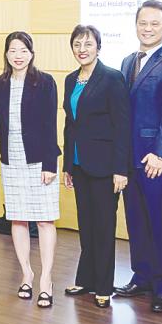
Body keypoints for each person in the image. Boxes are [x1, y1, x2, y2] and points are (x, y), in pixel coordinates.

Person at [114, 0, 162, 313]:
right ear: (136, 25)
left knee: (159, 222)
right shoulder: (128, 61)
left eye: (154, 23)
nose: (147, 28)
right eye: (142, 23)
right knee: (136, 220)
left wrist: (161, 154)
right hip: (130, 160)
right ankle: (141, 275)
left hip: (155, 161)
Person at [61, 25, 131, 309]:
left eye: (88, 44)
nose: (82, 49)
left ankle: (103, 285)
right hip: (79, 165)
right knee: (86, 226)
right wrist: (67, 164)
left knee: (103, 227)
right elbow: (70, 125)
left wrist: (121, 169)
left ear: (98, 47)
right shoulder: (70, 80)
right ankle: (86, 278)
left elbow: (122, 125)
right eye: (77, 44)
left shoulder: (112, 78)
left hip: (105, 167)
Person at [0, 31, 61, 308]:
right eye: (12, 50)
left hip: (39, 159)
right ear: (6, 54)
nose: (18, 56)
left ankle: (46, 279)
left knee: (44, 220)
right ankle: (27, 274)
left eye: (23, 50)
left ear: (31, 53)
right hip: (13, 159)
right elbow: (0, 123)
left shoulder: (44, 82)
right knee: (17, 219)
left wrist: (50, 163)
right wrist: (4, 157)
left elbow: (50, 123)